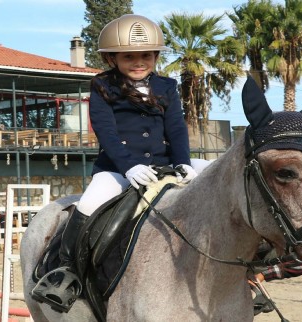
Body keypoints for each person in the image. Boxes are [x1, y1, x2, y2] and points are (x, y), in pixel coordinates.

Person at [31, 14, 197, 312]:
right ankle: (65, 271)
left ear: (155, 56)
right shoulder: (102, 85)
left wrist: (183, 162)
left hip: (164, 166)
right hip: (118, 169)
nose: (138, 62)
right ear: (112, 57)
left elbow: (176, 128)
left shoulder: (167, 86)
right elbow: (105, 131)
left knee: (217, 182)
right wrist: (128, 165)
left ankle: (245, 273)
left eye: (146, 55)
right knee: (89, 203)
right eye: (129, 56)